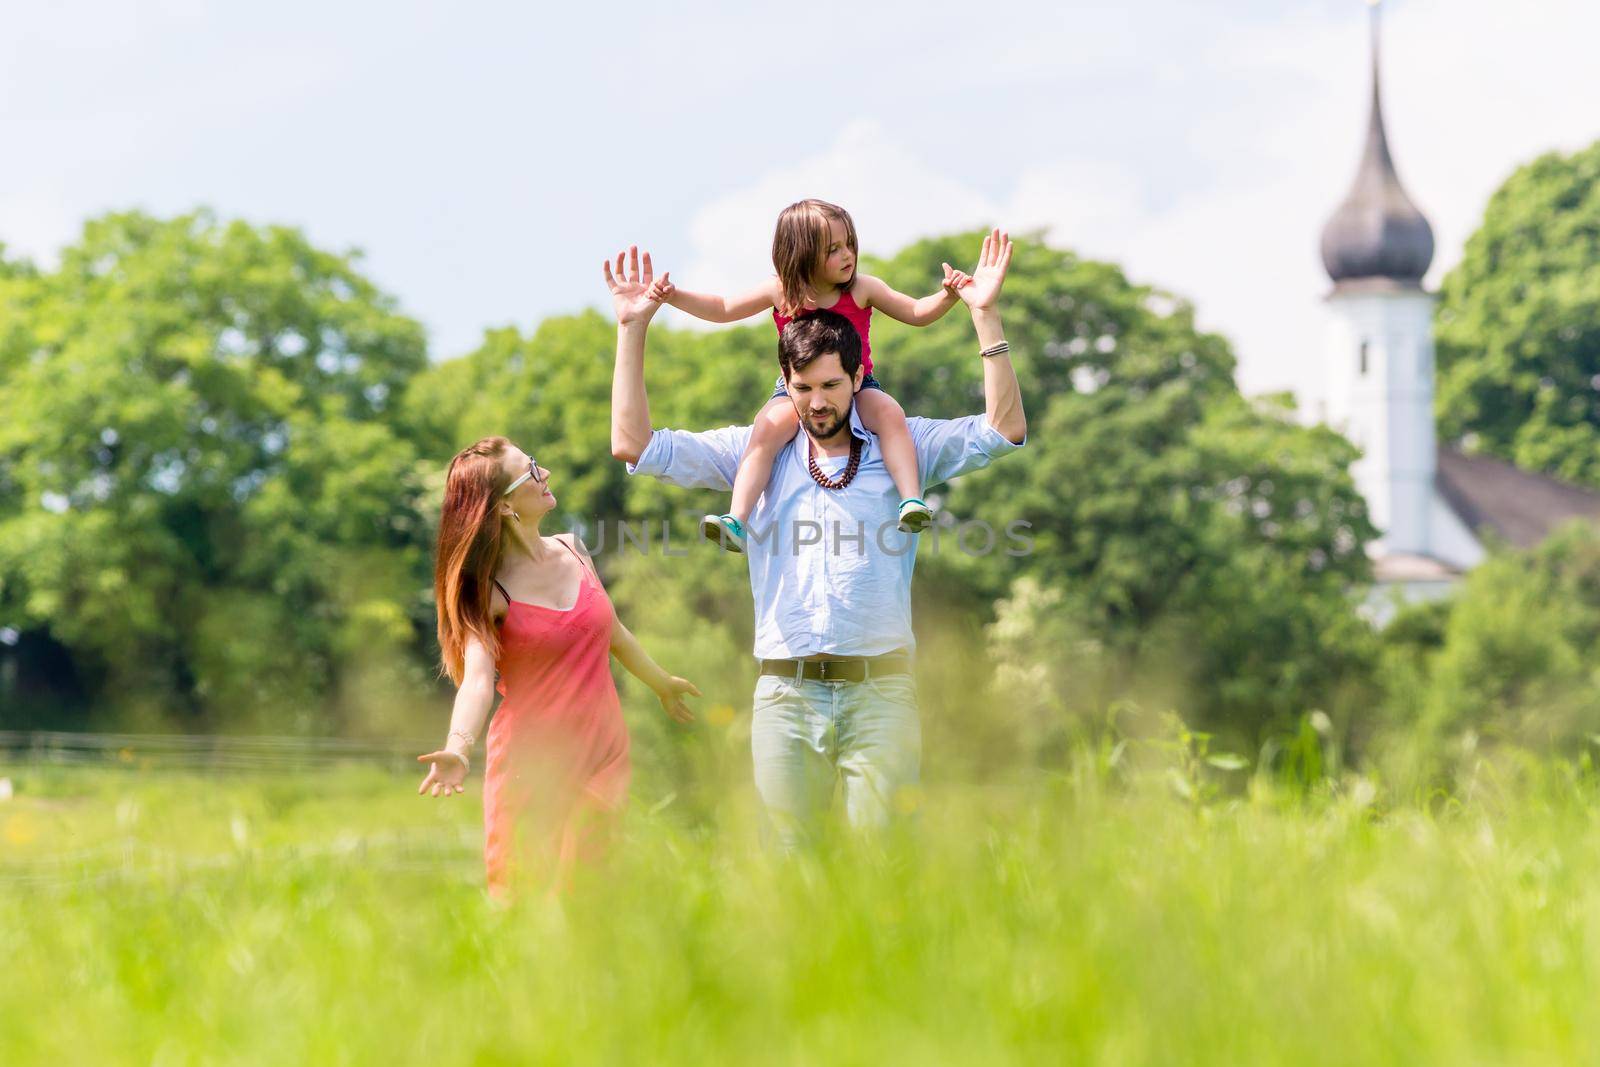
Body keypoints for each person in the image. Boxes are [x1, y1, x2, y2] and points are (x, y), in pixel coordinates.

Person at [605, 230, 1026, 849]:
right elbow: (635, 446)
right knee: (789, 873)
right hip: (785, 695)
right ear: (786, 382)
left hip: (881, 693)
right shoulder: (757, 450)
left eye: (831, 387)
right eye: (803, 389)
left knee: (884, 869)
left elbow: (1003, 428)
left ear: (858, 376)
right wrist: (633, 328)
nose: (817, 402)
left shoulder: (898, 441)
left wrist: (984, 316)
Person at [416, 437, 700, 897]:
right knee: (521, 899)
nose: (544, 472)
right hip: (534, 766)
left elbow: (615, 634)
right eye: (530, 471)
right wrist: (458, 747)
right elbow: (476, 681)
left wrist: (661, 683)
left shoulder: (573, 549)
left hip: (604, 753)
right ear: (506, 508)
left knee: (590, 896)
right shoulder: (490, 592)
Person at [645, 198, 972, 553]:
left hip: (857, 384)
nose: (847, 255)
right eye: (833, 250)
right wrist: (673, 297)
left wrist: (947, 295)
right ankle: (737, 518)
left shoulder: (863, 288)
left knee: (891, 414)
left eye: (849, 244)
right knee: (765, 432)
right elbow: (723, 309)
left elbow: (915, 312)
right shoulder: (781, 290)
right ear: (801, 254)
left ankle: (911, 501)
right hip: (794, 392)